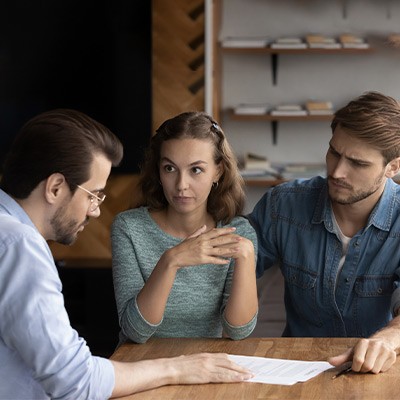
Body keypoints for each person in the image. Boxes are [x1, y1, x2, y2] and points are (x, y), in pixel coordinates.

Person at [0, 109, 254, 400]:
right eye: (93, 195)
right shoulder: (19, 247)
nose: (95, 210)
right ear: (56, 187)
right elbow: (77, 381)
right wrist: (178, 369)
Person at [248, 91, 400, 375]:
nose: (338, 171)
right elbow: (227, 274)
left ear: (393, 167)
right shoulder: (283, 205)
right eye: (334, 152)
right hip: (294, 369)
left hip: (379, 371)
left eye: (357, 163)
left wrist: (388, 339)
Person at [111, 111, 258, 344]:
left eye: (196, 170)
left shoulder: (237, 234)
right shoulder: (129, 228)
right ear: (158, 170)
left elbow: (239, 332)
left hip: (204, 367)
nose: (181, 185)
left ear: (218, 171)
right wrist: (172, 260)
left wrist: (247, 257)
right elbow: (135, 332)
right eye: (170, 168)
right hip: (142, 368)